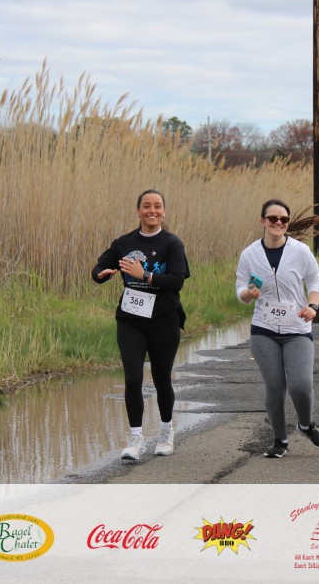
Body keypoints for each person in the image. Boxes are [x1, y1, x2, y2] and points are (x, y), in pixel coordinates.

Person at [92, 189, 190, 461]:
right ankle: (136, 438)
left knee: (161, 379)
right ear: (138, 211)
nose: (152, 211)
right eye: (147, 206)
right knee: (133, 378)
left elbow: (176, 281)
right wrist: (101, 274)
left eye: (157, 206)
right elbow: (98, 268)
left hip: (164, 319)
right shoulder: (124, 243)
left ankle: (166, 431)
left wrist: (144, 275)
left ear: (163, 211)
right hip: (131, 320)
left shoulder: (172, 243)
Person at [235, 199, 319, 459]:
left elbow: (316, 281)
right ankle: (280, 441)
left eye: (283, 219)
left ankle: (306, 425)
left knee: (301, 385)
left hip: (297, 328)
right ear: (263, 221)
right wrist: (248, 294)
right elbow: (240, 290)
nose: (278, 223)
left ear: (287, 223)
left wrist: (313, 305)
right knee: (275, 387)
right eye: (273, 218)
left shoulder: (300, 251)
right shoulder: (250, 254)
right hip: (263, 329)